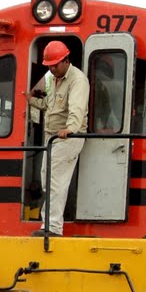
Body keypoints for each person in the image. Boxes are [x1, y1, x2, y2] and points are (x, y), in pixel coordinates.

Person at [24, 41, 89, 236]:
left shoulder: (78, 80)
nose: (51, 69)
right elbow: (50, 105)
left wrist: (70, 129)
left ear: (66, 60)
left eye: (55, 65)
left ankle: (52, 228)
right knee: (47, 179)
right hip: (51, 139)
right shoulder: (53, 80)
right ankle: (49, 225)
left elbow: (77, 108)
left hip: (67, 138)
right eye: (49, 65)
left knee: (56, 181)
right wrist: (31, 100)